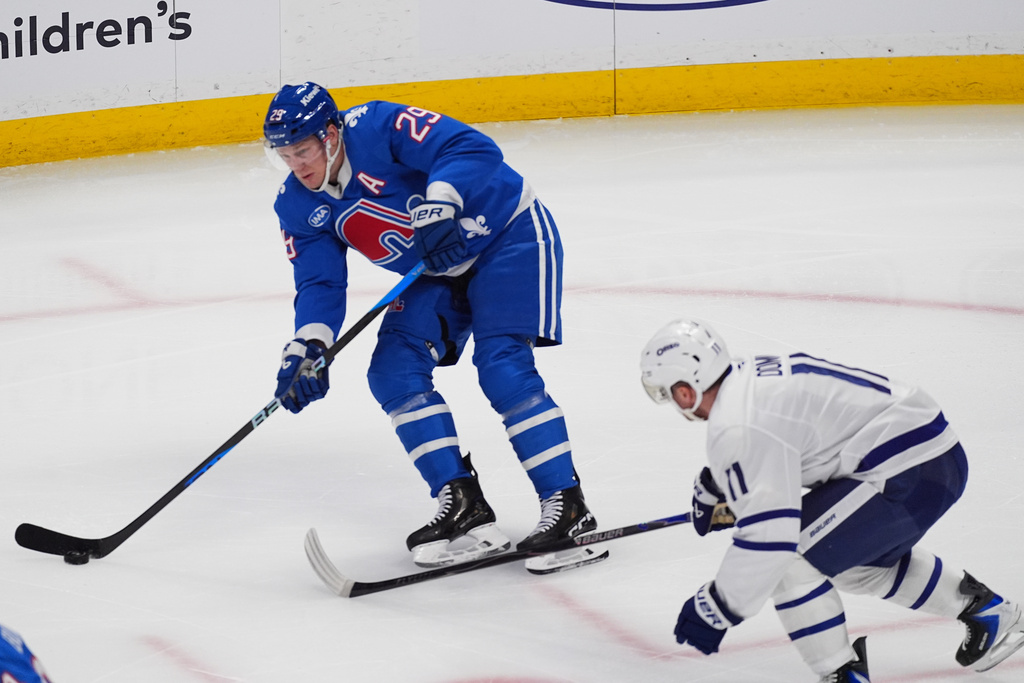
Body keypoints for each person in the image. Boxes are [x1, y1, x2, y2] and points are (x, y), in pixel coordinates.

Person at [263, 82, 600, 571]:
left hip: (508, 235)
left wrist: (442, 200)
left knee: (501, 365)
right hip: (438, 268)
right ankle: (463, 504)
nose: (297, 165)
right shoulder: (296, 204)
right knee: (393, 372)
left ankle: (567, 506)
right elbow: (319, 281)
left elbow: (470, 147)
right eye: (285, 155)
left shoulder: (377, 127)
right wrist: (308, 346)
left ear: (332, 133)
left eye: (303, 150)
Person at [639, 318, 1024, 682]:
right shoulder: (747, 378)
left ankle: (844, 675)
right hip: (929, 458)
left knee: (791, 560)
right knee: (852, 566)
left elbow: (773, 537)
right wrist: (721, 483)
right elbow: (789, 441)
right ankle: (988, 613)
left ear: (685, 389)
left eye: (668, 394)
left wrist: (719, 605)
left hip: (907, 470)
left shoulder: (738, 425)